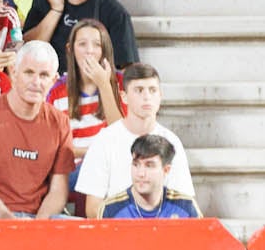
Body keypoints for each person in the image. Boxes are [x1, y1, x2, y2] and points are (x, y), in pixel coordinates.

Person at [0, 40, 73, 218]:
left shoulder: (60, 122)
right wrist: (9, 220)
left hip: (39, 219)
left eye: (44, 75)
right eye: (29, 73)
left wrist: (38, 226)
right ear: (13, 72)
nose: (36, 82)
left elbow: (59, 190)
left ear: (54, 81)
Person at [74, 63, 193, 216]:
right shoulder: (104, 140)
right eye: (139, 90)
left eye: (152, 90)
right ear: (124, 97)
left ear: (160, 96)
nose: (147, 97)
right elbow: (92, 209)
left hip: (161, 227)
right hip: (116, 226)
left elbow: (184, 204)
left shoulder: (172, 141)